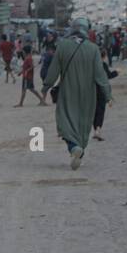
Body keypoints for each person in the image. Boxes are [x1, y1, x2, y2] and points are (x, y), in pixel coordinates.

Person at [42, 27, 112, 170]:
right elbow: (100, 74)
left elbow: (54, 69)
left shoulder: (62, 46)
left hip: (68, 92)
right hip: (89, 94)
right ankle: (79, 151)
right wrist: (107, 93)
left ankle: (74, 147)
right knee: (83, 124)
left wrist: (47, 85)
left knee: (64, 121)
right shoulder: (93, 49)